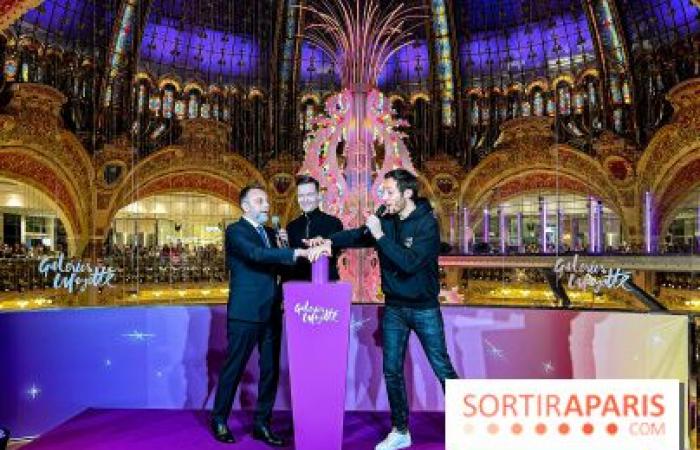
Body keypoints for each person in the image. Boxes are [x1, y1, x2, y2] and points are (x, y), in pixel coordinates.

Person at [306, 169, 459, 450]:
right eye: (383, 192)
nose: (384, 198)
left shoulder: (427, 224)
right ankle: (400, 430)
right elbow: (359, 236)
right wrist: (329, 241)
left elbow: (409, 263)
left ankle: (468, 426)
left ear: (407, 194)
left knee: (442, 367)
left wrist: (380, 235)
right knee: (391, 370)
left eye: (389, 192)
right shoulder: (386, 219)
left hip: (424, 308)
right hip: (394, 308)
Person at [211, 184, 310, 446]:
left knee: (270, 371)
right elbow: (256, 255)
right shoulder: (235, 231)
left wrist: (291, 249)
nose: (266, 205)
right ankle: (219, 419)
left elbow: (275, 263)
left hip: (271, 311)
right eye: (259, 201)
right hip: (245, 313)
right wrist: (293, 252)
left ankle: (262, 424)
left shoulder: (271, 232)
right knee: (234, 368)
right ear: (245, 206)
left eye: (266, 201)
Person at [280, 175, 343, 282]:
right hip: (297, 288)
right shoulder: (291, 226)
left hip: (324, 288)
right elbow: (289, 261)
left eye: (309, 195)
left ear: (318, 196)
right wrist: (284, 244)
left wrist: (321, 244)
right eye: (301, 196)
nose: (304, 200)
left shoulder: (333, 223)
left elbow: (334, 250)